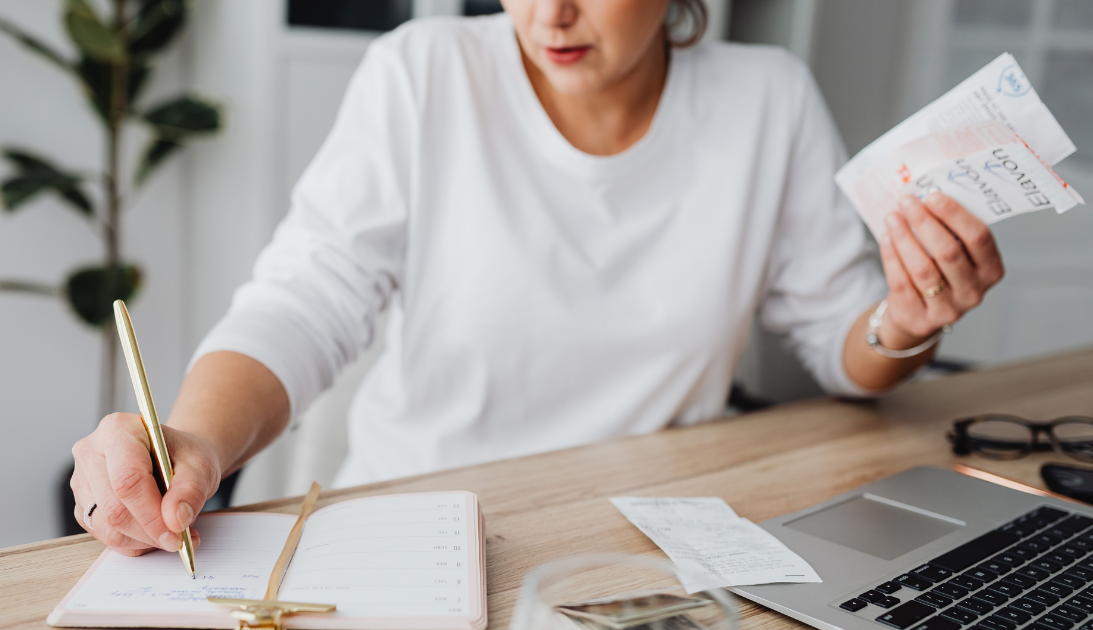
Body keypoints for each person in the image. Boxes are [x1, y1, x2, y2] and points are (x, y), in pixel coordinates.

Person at [69, 0, 1005, 555]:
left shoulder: (768, 98)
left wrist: (904, 319)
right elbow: (306, 300)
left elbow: (845, 343)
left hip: (657, 547)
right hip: (420, 537)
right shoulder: (424, 72)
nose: (551, 12)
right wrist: (193, 435)